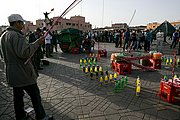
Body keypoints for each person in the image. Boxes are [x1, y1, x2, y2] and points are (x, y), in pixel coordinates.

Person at [0, 14, 53, 120]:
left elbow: (4, 55)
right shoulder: (17, 35)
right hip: (22, 73)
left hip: (12, 73)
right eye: (21, 23)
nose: (23, 25)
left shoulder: (3, 36)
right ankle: (41, 116)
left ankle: (20, 117)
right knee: (35, 95)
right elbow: (24, 53)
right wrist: (37, 43)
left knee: (18, 97)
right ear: (16, 23)